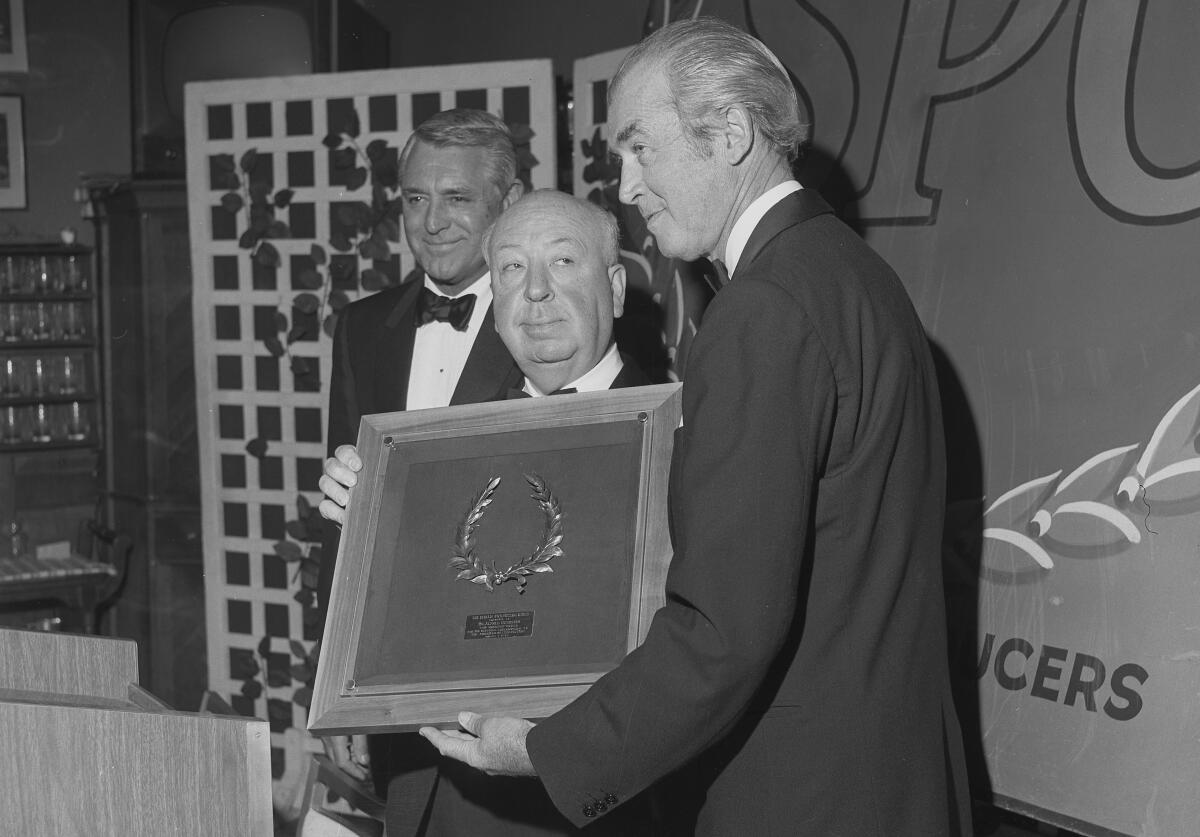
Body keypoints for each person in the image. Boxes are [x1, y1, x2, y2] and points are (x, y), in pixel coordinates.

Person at [420, 18, 974, 836]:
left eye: (643, 147)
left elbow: (721, 634)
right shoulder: (856, 277)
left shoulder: (762, 310)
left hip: (797, 802)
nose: (629, 184)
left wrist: (545, 748)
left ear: (733, 133)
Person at [319, 189, 651, 835]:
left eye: (562, 263)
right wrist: (368, 532)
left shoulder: (683, 434)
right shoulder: (438, 447)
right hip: (442, 797)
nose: (535, 293)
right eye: (511, 269)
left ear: (614, 288)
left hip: (598, 806)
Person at [315, 108, 524, 832]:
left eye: (457, 198)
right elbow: (342, 530)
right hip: (387, 689)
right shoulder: (362, 328)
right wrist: (333, 682)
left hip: (506, 693)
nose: (429, 222)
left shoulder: (554, 325)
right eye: (413, 198)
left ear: (511, 203)